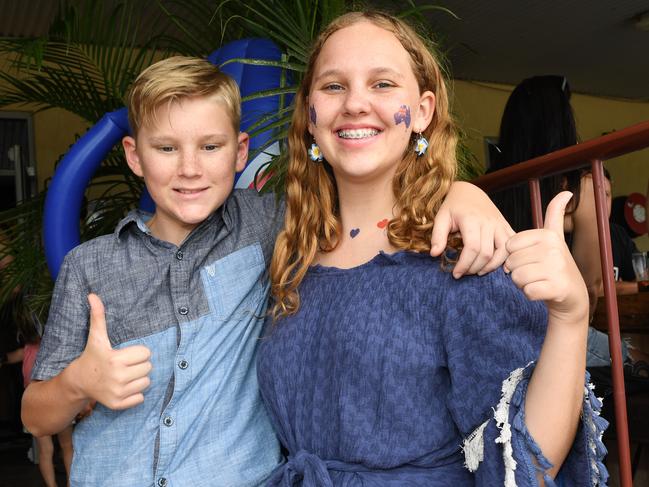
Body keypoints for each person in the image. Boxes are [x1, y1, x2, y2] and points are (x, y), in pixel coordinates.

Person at [21, 56, 516, 486]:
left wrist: (462, 193)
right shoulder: (90, 264)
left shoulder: (270, 224)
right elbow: (35, 415)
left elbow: (365, 197)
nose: (189, 168)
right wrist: (78, 384)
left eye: (210, 147)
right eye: (166, 148)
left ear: (240, 153)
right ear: (134, 155)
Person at [257, 11, 607, 486]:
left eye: (382, 84)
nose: (355, 103)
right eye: (334, 86)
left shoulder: (461, 256)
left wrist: (570, 316)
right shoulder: (286, 253)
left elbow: (529, 464)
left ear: (422, 111)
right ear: (310, 115)